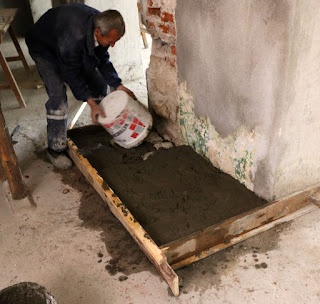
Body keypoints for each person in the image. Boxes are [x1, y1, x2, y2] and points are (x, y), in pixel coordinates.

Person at [26, 3, 135, 169]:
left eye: (116, 41)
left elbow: (102, 60)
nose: (113, 45)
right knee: (58, 97)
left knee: (99, 84)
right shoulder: (74, 38)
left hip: (66, 41)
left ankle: (104, 127)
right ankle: (55, 149)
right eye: (111, 41)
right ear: (97, 32)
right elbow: (71, 74)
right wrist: (91, 104)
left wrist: (118, 85)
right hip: (44, 47)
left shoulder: (100, 23)